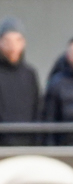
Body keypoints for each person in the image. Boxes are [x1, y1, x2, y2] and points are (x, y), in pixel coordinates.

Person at [0, 18, 40, 146]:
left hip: (27, 143)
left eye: (17, 40)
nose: (12, 46)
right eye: (7, 41)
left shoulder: (30, 74)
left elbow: (37, 109)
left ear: (24, 43)